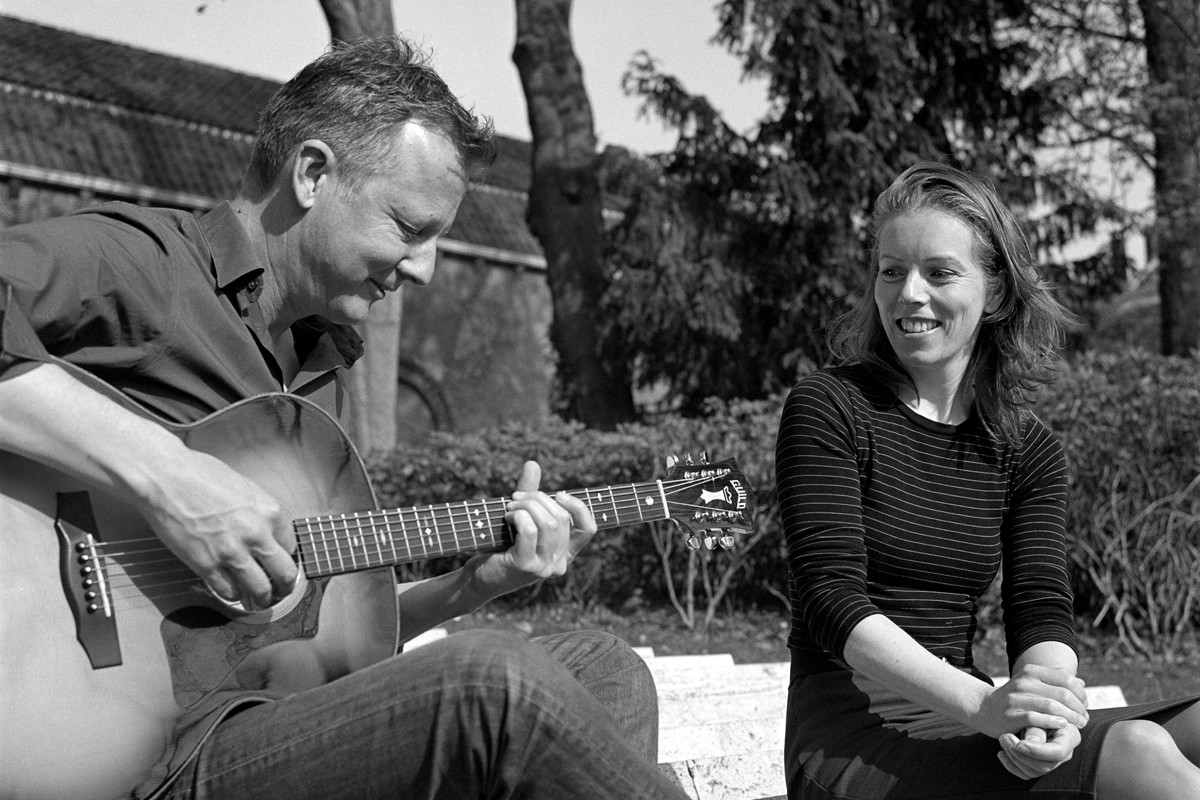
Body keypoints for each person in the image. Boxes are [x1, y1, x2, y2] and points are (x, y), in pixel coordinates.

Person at [0, 36, 689, 800]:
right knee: (494, 682)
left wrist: (469, 587)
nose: (425, 268)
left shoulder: (317, 374)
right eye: (410, 227)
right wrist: (170, 479)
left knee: (606, 670)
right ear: (312, 173)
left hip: (256, 731)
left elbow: (325, 644)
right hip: (144, 759)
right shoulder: (146, 267)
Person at [774, 161, 1200, 799]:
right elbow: (831, 600)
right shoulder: (830, 406)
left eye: (939, 272)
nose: (908, 293)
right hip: (850, 740)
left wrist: (1047, 710)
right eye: (891, 271)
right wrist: (984, 707)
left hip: (969, 719)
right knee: (1136, 754)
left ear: (995, 293)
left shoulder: (1028, 449)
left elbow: (1041, 607)